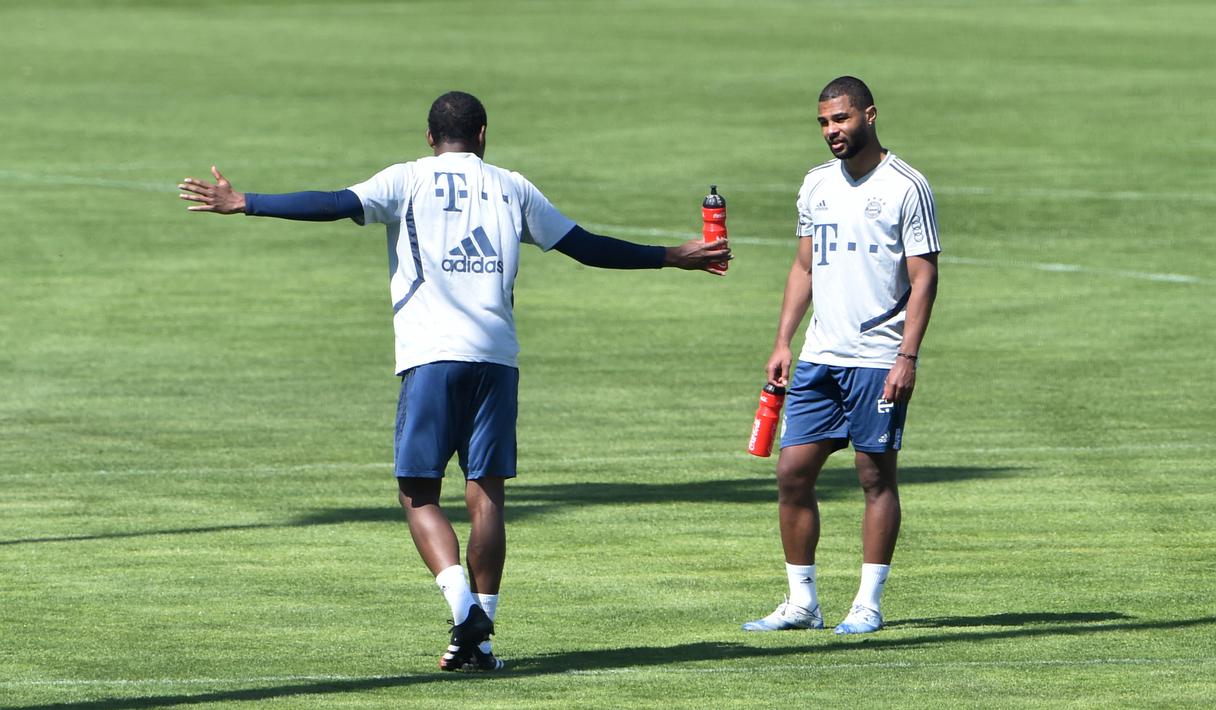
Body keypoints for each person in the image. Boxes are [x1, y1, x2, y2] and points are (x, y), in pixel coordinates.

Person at [178, 91, 731, 671]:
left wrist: (246, 202)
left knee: (417, 492)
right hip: (497, 358)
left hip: (433, 355)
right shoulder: (513, 187)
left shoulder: (408, 179)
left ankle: (465, 610)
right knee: (486, 493)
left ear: (429, 136)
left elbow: (335, 203)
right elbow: (586, 247)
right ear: (483, 134)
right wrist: (673, 255)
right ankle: (480, 644)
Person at [742, 76, 939, 635]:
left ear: (870, 116)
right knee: (792, 473)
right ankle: (803, 601)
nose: (832, 131)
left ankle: (868, 602)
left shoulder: (906, 186)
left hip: (879, 356)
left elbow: (924, 279)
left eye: (842, 119)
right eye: (825, 122)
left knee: (874, 477)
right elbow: (804, 266)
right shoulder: (816, 185)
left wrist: (907, 356)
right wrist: (783, 339)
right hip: (819, 355)